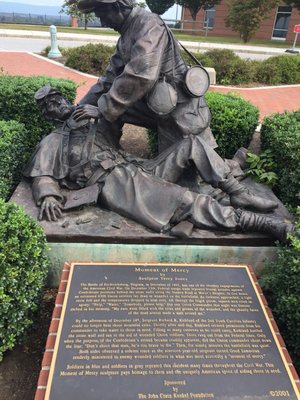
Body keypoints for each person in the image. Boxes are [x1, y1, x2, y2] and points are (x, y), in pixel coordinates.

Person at [23, 86, 293, 242]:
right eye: (50, 107)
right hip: (113, 181)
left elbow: (125, 97)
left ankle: (235, 190)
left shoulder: (93, 117)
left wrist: (102, 109)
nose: (57, 106)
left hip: (137, 166)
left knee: (191, 144)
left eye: (58, 100)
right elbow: (43, 175)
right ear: (49, 116)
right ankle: (259, 223)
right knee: (183, 199)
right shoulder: (55, 140)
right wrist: (48, 195)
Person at [73, 0, 216, 152]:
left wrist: (103, 109)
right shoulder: (126, 35)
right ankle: (107, 156)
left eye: (103, 16)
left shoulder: (150, 25)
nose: (103, 23)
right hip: (157, 105)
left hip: (180, 110)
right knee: (111, 111)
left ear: (116, 8)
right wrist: (78, 108)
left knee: (191, 166)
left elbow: (142, 74)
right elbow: (108, 80)